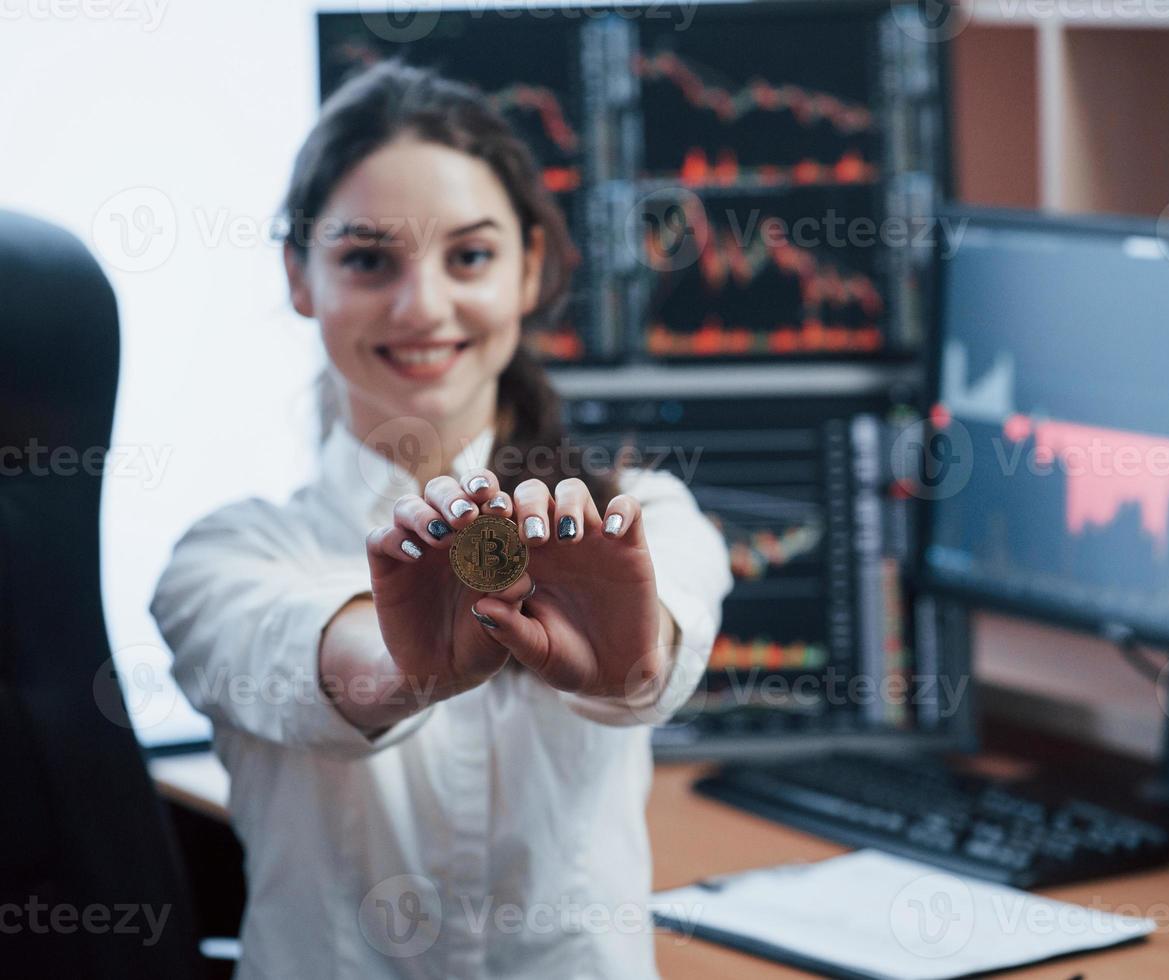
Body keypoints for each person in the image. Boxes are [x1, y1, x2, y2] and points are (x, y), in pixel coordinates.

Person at [149, 60, 733, 979]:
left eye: (469, 256)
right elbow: (300, 653)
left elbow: (659, 647)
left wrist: (632, 665)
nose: (422, 306)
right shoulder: (221, 559)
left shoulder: (642, 515)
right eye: (368, 259)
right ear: (300, 275)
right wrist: (406, 666)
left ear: (529, 270)